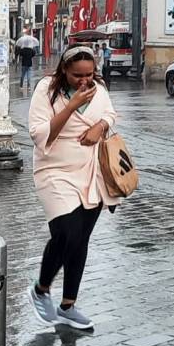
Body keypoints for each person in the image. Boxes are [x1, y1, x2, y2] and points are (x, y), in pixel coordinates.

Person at [27, 46, 119, 330]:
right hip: (54, 170)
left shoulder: (99, 89)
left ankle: (68, 305)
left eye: (89, 75)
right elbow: (39, 134)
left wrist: (101, 126)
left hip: (90, 171)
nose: (84, 81)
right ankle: (41, 289)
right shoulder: (46, 90)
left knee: (80, 238)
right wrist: (69, 106)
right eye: (77, 75)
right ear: (64, 70)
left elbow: (111, 114)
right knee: (66, 232)